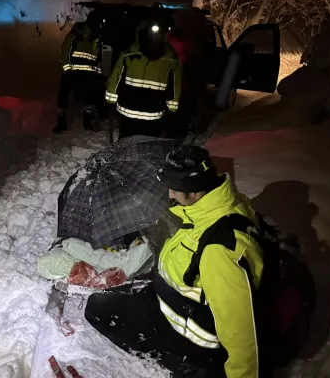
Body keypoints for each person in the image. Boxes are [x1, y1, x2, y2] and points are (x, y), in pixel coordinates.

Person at [85, 146, 263, 377]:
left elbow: (241, 331)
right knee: (109, 298)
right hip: (173, 298)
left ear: (196, 191)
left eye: (174, 190)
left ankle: (186, 362)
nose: (169, 194)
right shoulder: (219, 204)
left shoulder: (220, 249)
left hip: (190, 330)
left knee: (98, 310)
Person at [105, 17, 182, 139]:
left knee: (126, 142)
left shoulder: (129, 53)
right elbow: (175, 85)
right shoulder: (171, 58)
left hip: (127, 109)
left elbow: (116, 77)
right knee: (148, 144)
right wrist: (172, 107)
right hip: (153, 112)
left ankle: (124, 156)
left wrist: (110, 99)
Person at [53, 11, 104, 133]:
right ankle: (62, 118)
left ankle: (87, 118)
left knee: (91, 92)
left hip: (88, 73)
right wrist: (67, 68)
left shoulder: (96, 39)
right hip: (73, 71)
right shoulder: (76, 34)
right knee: (64, 91)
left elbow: (98, 58)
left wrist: (98, 73)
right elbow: (65, 50)